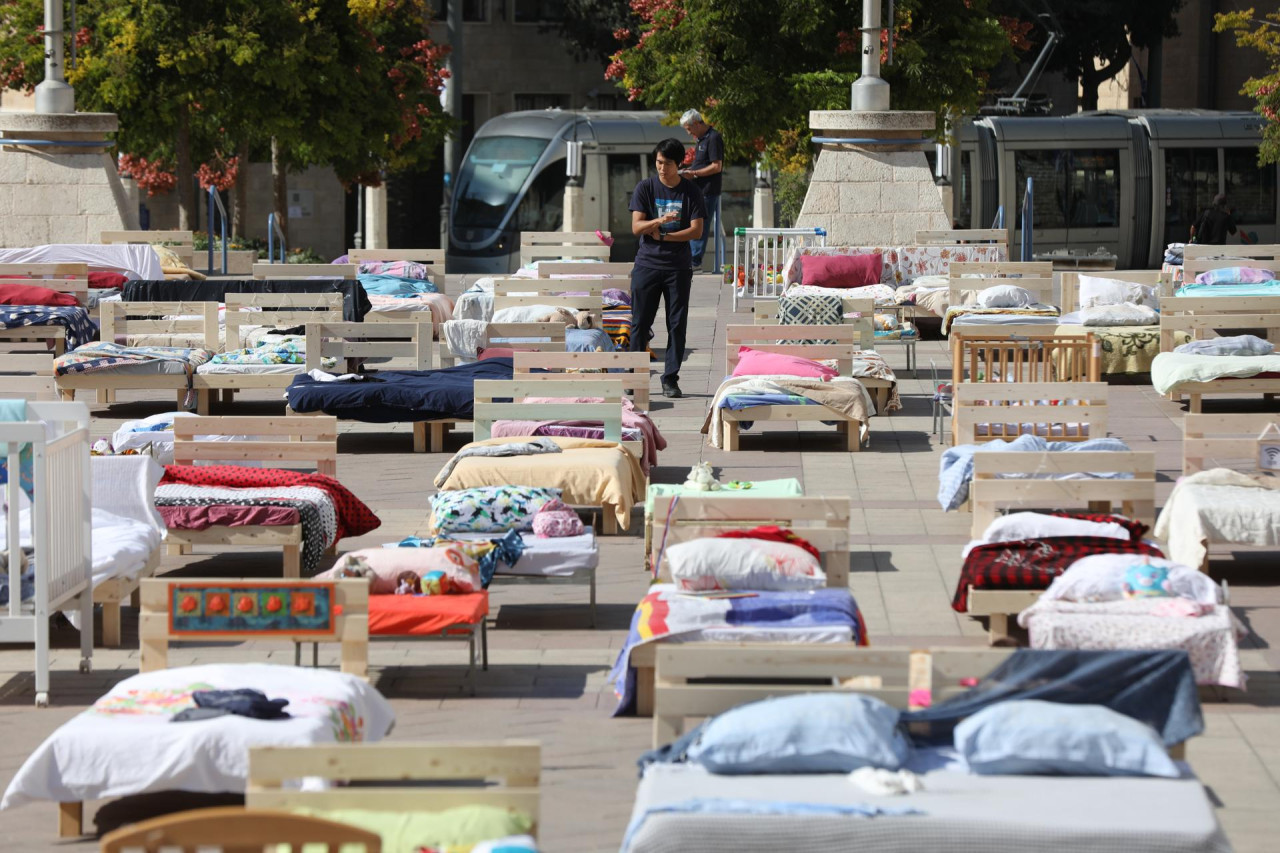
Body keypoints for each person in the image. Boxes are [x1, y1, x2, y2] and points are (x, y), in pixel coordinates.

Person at [629, 138, 706, 399]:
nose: (662, 168)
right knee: (640, 323)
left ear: (680, 163)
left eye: (668, 163)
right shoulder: (645, 188)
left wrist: (664, 236)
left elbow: (696, 231)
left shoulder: (690, 191)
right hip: (647, 265)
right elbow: (636, 227)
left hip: (678, 268)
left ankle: (670, 379)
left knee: (676, 324)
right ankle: (635, 376)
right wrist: (659, 221)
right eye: (659, 163)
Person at [678, 109, 724, 272]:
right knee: (691, 222)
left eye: (689, 128)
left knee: (700, 224)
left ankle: (695, 261)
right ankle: (689, 258)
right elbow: (702, 164)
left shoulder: (713, 138)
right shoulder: (701, 140)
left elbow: (716, 166)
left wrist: (694, 173)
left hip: (707, 190)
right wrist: (688, 171)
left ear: (697, 123)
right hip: (697, 189)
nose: (689, 132)